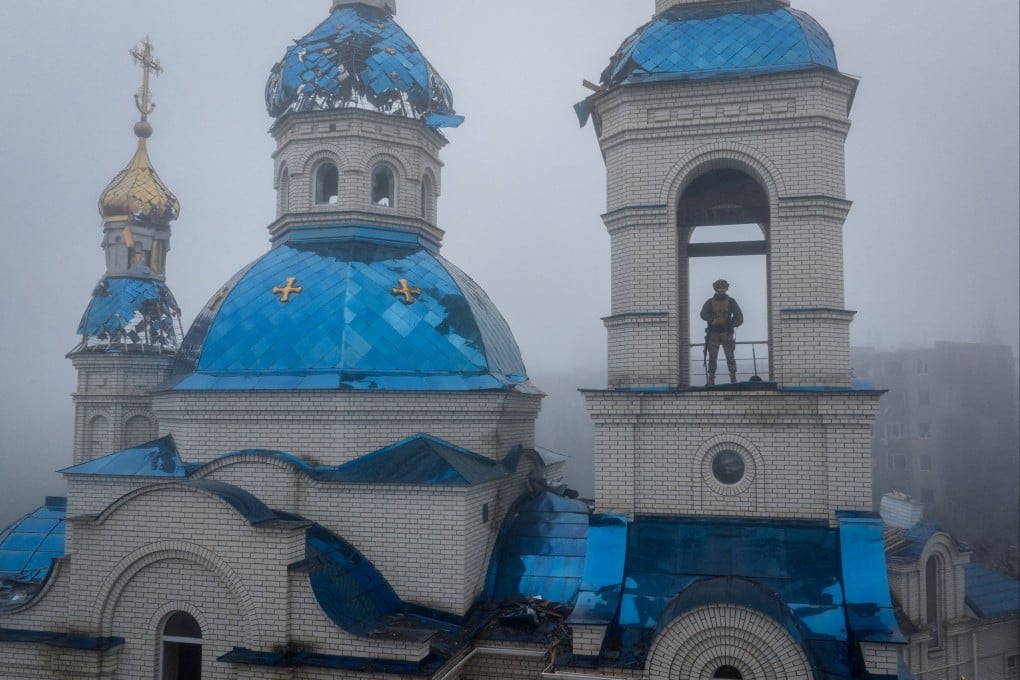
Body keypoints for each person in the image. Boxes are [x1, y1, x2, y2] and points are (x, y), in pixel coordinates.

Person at [700, 279, 743, 386]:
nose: (722, 290)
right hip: (713, 334)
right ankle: (711, 380)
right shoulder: (710, 302)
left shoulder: (731, 301)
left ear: (726, 289)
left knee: (730, 357)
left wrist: (732, 323)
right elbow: (703, 314)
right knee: (712, 357)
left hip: (726, 333)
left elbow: (739, 316)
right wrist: (711, 319)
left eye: (723, 288)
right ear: (716, 289)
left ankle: (733, 379)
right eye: (719, 288)